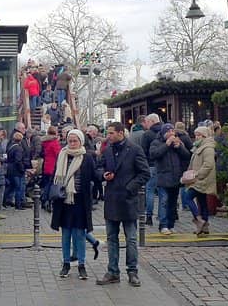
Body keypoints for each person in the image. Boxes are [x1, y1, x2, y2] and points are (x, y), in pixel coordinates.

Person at [96, 121, 151, 288]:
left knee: (131, 238)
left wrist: (130, 188)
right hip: (112, 199)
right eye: (108, 133)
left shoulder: (134, 149)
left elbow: (145, 173)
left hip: (128, 200)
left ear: (120, 133)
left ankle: (132, 271)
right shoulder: (108, 150)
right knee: (111, 238)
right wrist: (103, 175)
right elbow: (98, 168)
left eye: (111, 133)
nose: (108, 136)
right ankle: (113, 271)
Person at [51, 129, 97, 281]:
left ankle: (81, 265)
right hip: (63, 201)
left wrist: (105, 176)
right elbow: (54, 176)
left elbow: (94, 175)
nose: (72, 143)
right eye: (70, 140)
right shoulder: (62, 155)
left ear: (80, 141)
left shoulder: (87, 157)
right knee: (66, 234)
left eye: (75, 141)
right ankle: (66, 264)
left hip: (80, 201)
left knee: (80, 234)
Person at [148, 123, 191, 235]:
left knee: (173, 202)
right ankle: (163, 225)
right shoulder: (156, 142)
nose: (171, 133)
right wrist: (166, 145)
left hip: (175, 177)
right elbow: (153, 154)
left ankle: (171, 225)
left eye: (172, 131)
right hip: (163, 177)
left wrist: (180, 147)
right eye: (169, 131)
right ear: (164, 133)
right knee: (164, 201)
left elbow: (187, 156)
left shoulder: (177, 142)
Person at [182, 125, 217, 235]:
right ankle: (205, 225)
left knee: (188, 197)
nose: (196, 137)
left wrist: (197, 175)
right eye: (196, 135)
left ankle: (198, 219)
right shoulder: (199, 147)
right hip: (198, 178)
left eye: (199, 135)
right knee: (202, 201)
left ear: (204, 136)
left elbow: (208, 165)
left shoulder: (208, 148)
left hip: (202, 179)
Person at [139, 113, 164, 226]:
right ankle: (162, 216)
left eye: (147, 122)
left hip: (151, 165)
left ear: (152, 121)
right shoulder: (165, 132)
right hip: (163, 166)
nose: (146, 124)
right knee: (162, 191)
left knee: (149, 190)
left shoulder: (147, 134)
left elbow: (143, 151)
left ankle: (149, 216)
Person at [40, 126, 63, 210]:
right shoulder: (54, 142)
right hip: (53, 166)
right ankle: (48, 201)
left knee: (46, 184)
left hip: (46, 165)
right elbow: (59, 154)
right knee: (51, 185)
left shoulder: (45, 142)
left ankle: (43, 200)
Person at [5, 131, 28, 210]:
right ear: (21, 140)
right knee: (18, 188)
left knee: (11, 186)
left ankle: (4, 201)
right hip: (17, 171)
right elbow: (18, 161)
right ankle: (18, 205)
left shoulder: (10, 147)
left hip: (10, 169)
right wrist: (22, 169)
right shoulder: (19, 148)